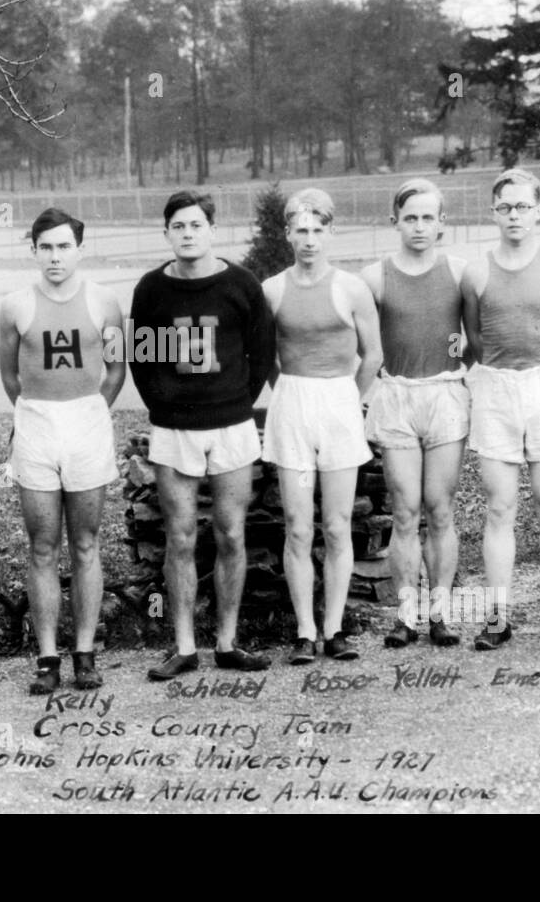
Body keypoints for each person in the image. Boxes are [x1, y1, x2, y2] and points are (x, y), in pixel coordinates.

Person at [130, 190, 276, 679]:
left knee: (232, 532)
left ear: (212, 229)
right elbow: (142, 359)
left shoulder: (242, 284)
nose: (188, 234)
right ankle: (185, 646)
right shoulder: (151, 289)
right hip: (174, 429)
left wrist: (234, 403)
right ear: (167, 232)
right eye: (179, 226)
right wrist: (167, 409)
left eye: (196, 225)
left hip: (231, 426)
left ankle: (228, 643)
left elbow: (260, 356)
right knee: (181, 536)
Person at [0, 208, 126, 693]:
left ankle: (86, 653)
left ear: (79, 249)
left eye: (63, 246)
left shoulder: (105, 301)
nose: (55, 256)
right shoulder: (14, 305)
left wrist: (92, 411)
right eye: (45, 247)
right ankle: (48, 655)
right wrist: (37, 413)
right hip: (36, 423)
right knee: (42, 545)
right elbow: (10, 375)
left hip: (87, 421)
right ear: (33, 250)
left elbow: (117, 369)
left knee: (87, 542)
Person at [460, 168, 540, 650]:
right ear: (494, 212)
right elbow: (474, 336)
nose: (515, 215)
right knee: (499, 508)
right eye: (506, 207)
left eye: (523, 207)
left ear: (539, 210)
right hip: (495, 391)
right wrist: (499, 374)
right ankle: (498, 617)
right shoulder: (476, 272)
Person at [262, 189, 380, 664]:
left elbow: (373, 354)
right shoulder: (271, 289)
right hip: (292, 400)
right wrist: (287, 389)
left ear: (330, 232)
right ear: (288, 233)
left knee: (335, 525)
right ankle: (304, 631)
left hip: (339, 403)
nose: (309, 240)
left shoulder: (352, 288)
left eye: (318, 230)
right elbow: (264, 355)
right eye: (301, 230)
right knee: (297, 527)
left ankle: (334, 628)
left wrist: (349, 396)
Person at [361, 179, 470, 648]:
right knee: (405, 512)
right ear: (395, 223)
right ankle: (406, 615)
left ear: (442, 223)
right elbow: (360, 347)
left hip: (445, 394)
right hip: (397, 395)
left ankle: (441, 614)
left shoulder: (461, 272)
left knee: (440, 509)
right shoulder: (374, 277)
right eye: (411, 218)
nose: (420, 227)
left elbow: (481, 337)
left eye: (429, 217)